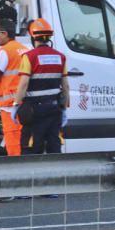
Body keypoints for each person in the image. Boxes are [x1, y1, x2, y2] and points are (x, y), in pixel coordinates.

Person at [12, 18, 69, 155]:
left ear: (33, 38)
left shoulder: (29, 57)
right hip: (54, 110)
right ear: (48, 38)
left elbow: (24, 83)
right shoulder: (60, 57)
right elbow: (65, 86)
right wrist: (65, 108)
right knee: (54, 149)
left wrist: (15, 105)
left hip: (34, 112)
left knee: (30, 150)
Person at [0, 18, 28, 156]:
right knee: (23, 139)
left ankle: (17, 169)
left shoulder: (5, 51)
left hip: (9, 105)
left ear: (5, 33)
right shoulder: (24, 49)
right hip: (23, 102)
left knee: (12, 140)